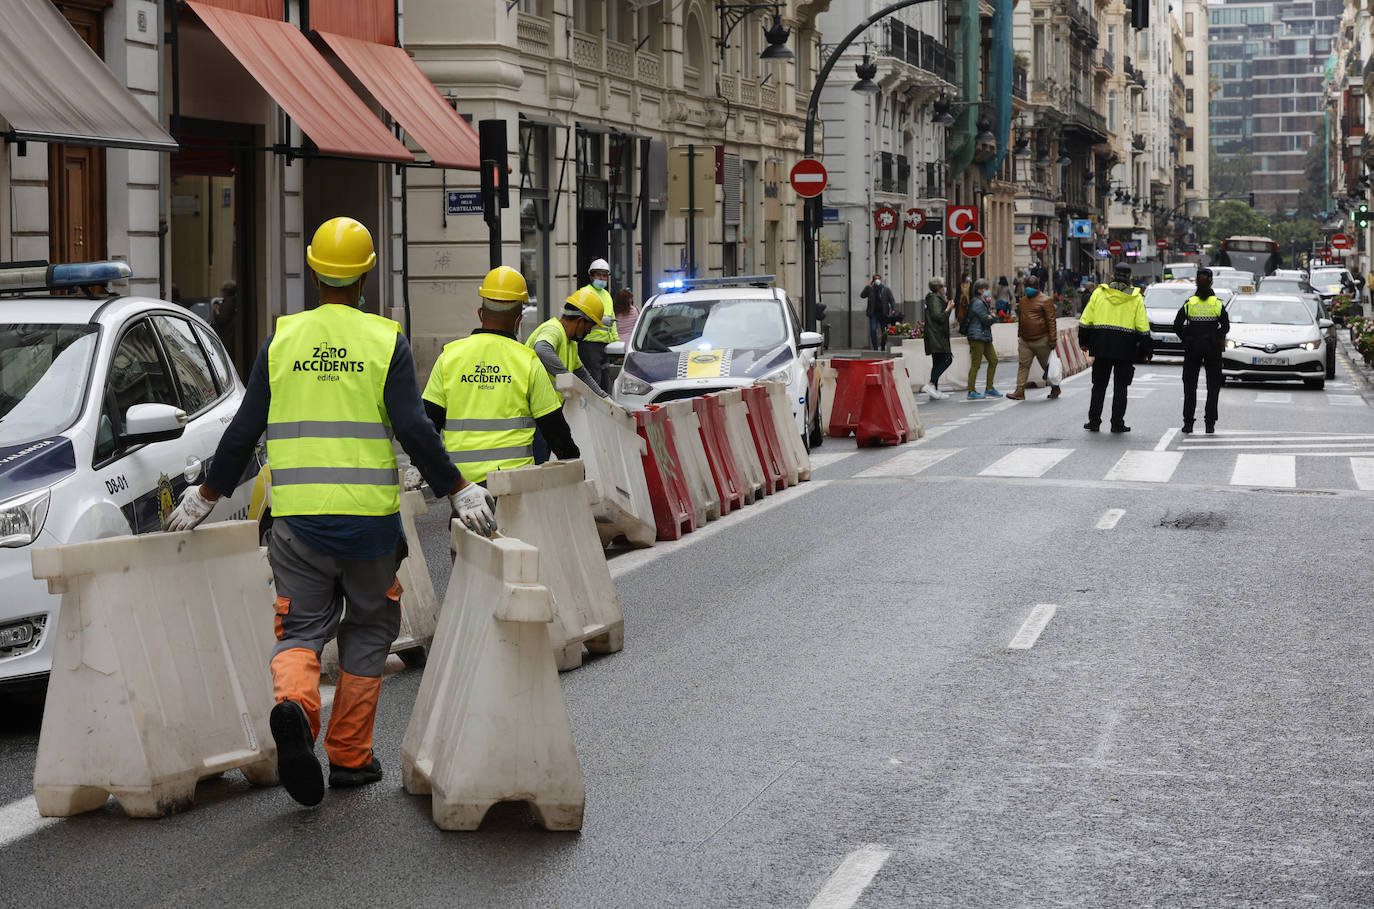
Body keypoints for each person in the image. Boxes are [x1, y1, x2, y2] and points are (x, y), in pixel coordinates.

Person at [163, 217, 497, 807]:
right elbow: (414, 428)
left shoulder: (282, 339)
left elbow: (244, 430)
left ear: (315, 272)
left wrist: (204, 496)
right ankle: (348, 756)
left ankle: (295, 707)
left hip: (298, 525)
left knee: (299, 631)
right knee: (369, 630)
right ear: (364, 275)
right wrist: (459, 490)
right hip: (369, 527)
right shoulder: (383, 339)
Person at [422, 266, 580, 485]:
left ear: (480, 313)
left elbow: (426, 425)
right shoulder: (528, 361)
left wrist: (442, 477)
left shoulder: (449, 357)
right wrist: (573, 463)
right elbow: (556, 431)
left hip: (463, 487)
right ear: (518, 320)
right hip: (515, 486)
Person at [527, 286, 610, 461]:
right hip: (534, 415)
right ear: (580, 320)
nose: (588, 332)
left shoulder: (570, 343)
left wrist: (606, 398)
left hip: (545, 414)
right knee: (539, 465)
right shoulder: (554, 329)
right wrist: (566, 377)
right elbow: (542, 350)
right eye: (590, 326)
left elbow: (583, 374)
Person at [1079, 261, 1152, 432]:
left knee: (1098, 386)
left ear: (1112, 276)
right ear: (1130, 279)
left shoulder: (1098, 293)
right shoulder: (1136, 298)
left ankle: (1094, 421)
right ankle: (1117, 423)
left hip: (1102, 347)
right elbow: (1142, 326)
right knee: (1121, 387)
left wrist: (1084, 342)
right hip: (1125, 349)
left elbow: (1085, 320)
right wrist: (1147, 350)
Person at [1173, 267, 1228, 434]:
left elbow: (1177, 325)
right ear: (1211, 282)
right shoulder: (1217, 304)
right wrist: (1216, 338)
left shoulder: (1190, 303)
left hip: (1192, 349)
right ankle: (1209, 424)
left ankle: (1188, 423)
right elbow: (1226, 327)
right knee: (1213, 387)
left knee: (1190, 387)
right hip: (1212, 349)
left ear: (1196, 282)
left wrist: (1187, 338)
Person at [1005, 278, 1060, 401]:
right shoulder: (1023, 301)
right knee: (1023, 365)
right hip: (1025, 340)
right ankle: (1019, 391)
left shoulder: (1046, 300)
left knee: (1047, 366)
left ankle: (1055, 387)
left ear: (1037, 287)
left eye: (1031, 286)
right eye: (1027, 286)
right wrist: (1020, 334)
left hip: (1042, 339)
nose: (1028, 288)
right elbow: (1022, 318)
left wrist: (1052, 339)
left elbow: (1051, 321)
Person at [575, 258, 617, 390]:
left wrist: (616, 342)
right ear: (591, 276)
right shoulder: (584, 292)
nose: (602, 278)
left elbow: (613, 321)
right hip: (590, 344)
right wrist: (598, 320)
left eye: (604, 275)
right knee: (594, 382)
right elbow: (577, 316)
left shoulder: (607, 295)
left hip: (606, 345)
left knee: (605, 383)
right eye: (598, 274)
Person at [965, 278, 1002, 399]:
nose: (988, 291)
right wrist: (993, 317)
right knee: (976, 364)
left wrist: (990, 315)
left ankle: (989, 388)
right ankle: (971, 391)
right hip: (977, 336)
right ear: (980, 290)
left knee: (993, 360)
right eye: (986, 289)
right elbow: (986, 320)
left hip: (983, 335)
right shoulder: (977, 303)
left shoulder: (981, 301)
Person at [920, 277, 954, 399]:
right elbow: (938, 317)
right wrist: (948, 309)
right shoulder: (934, 299)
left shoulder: (936, 298)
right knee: (947, 359)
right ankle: (930, 384)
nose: (945, 288)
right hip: (936, 334)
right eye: (943, 286)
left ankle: (934, 390)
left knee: (937, 361)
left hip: (936, 334)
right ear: (939, 288)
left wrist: (947, 309)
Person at [862, 274, 897, 351]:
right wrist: (867, 286)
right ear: (873, 281)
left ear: (881, 280)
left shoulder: (886, 289)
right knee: (873, 329)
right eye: (875, 279)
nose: (877, 280)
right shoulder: (870, 289)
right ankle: (875, 347)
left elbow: (892, 300)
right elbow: (862, 295)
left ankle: (883, 346)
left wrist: (894, 308)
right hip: (873, 313)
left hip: (883, 313)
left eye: (878, 279)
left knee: (884, 331)